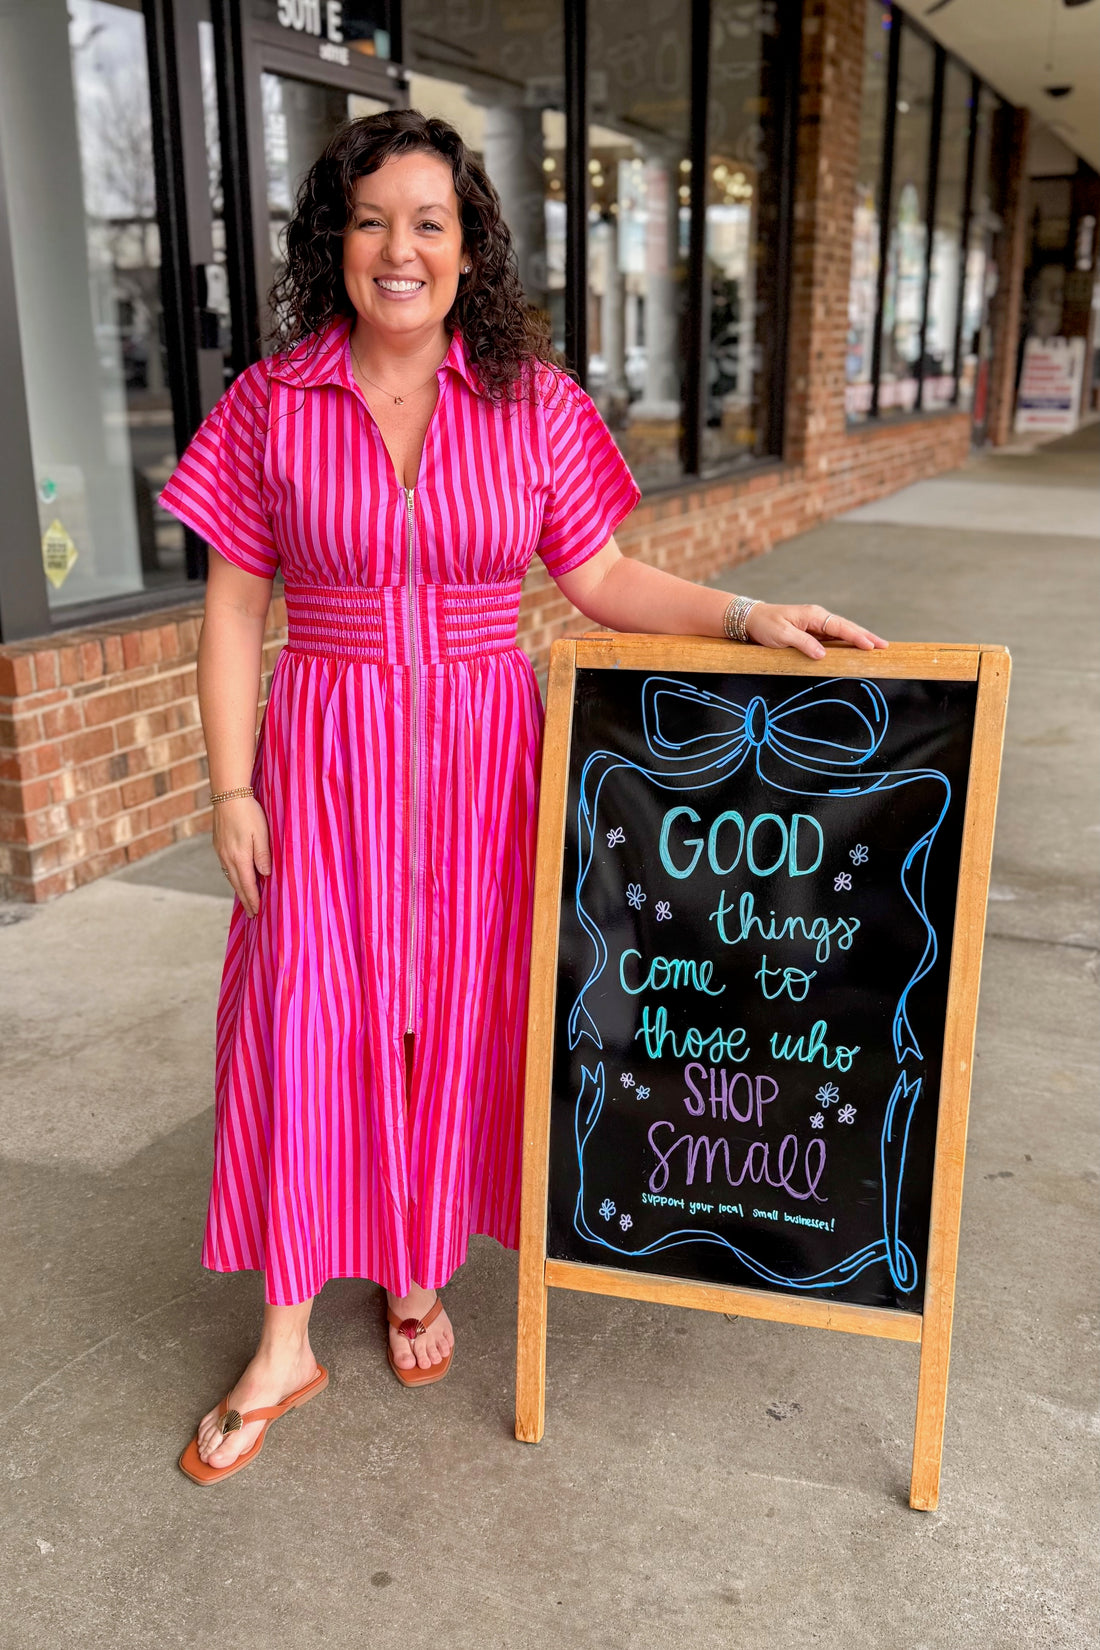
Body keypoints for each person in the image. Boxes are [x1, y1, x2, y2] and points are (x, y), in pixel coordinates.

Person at [159, 110, 886, 1485]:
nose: (400, 247)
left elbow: (600, 575)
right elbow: (235, 605)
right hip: (326, 755)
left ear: (470, 245)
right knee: (300, 1015)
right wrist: (230, 783)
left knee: (452, 1019)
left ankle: (419, 1263)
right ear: (335, 238)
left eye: (430, 222)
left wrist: (745, 611)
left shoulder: (531, 400)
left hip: (492, 761)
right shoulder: (270, 402)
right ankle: (283, 1333)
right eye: (372, 218)